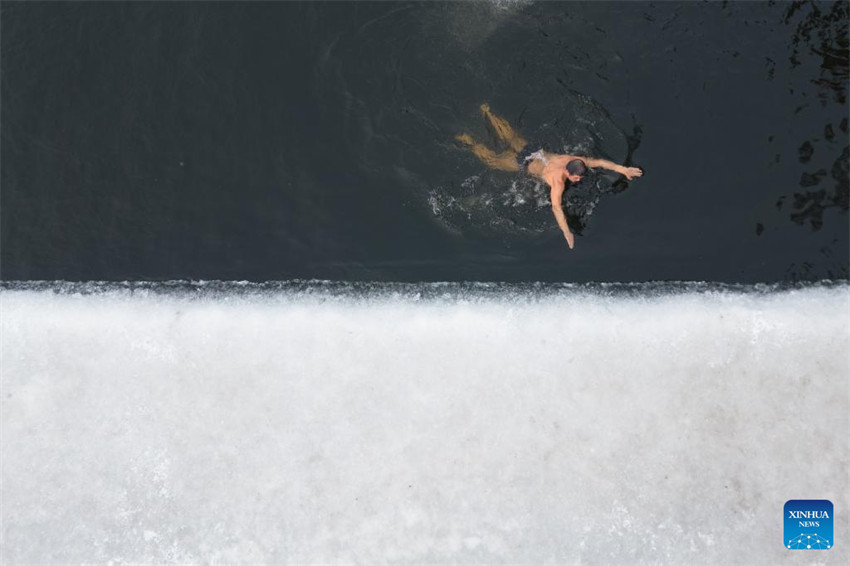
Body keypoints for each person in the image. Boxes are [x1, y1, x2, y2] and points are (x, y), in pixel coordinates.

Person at [455, 103, 643, 249]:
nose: (579, 179)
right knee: (491, 159)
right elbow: (556, 208)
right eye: (576, 177)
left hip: (535, 151)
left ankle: (487, 111)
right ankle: (469, 141)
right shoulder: (558, 181)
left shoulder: (576, 160)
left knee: (511, 136)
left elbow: (601, 162)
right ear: (568, 172)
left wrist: (623, 170)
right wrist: (566, 232)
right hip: (525, 164)